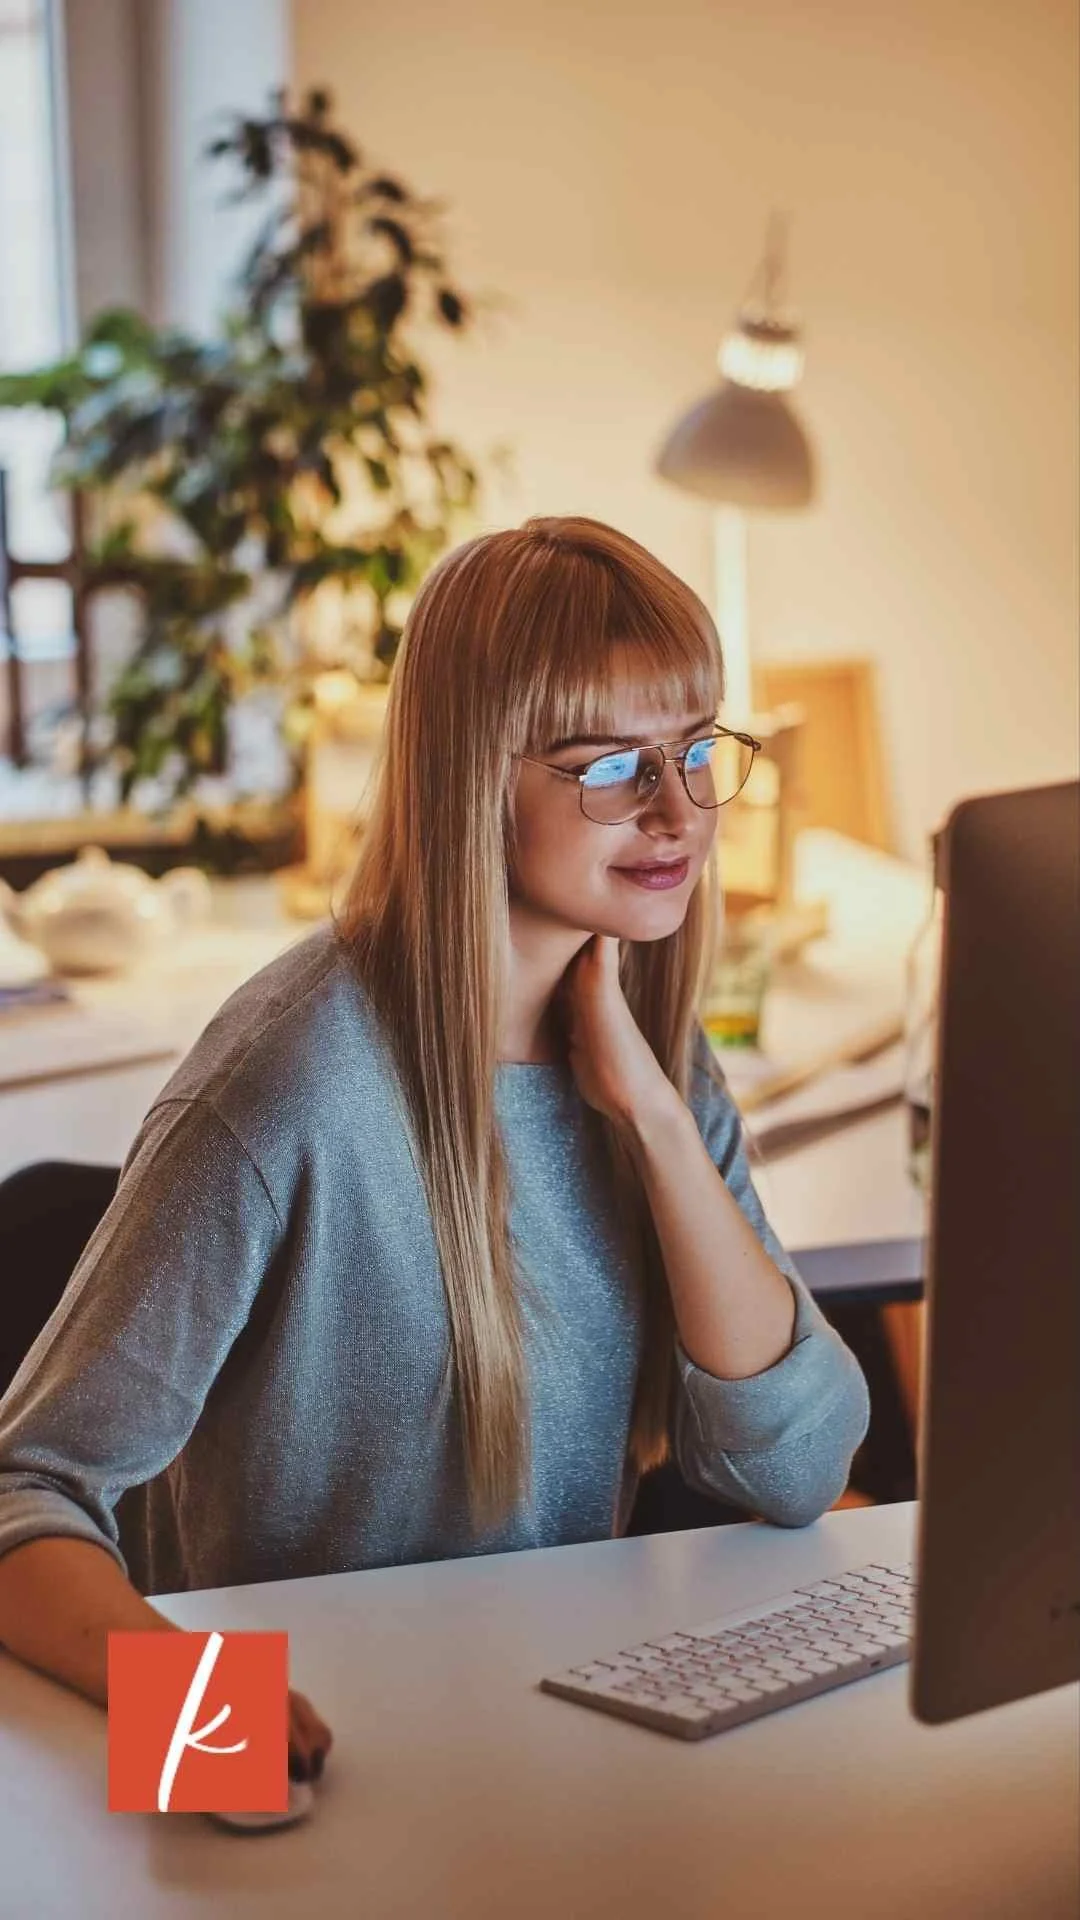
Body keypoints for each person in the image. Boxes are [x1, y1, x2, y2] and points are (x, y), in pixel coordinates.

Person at [0, 515, 871, 1785]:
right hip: (317, 1745)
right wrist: (203, 1727)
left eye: (694, 750)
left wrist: (661, 1120)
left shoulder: (649, 1052)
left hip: (545, 1737)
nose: (679, 810)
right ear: (476, 775)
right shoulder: (292, 1080)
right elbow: (27, 1489)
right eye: (610, 766)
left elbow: (797, 1470)